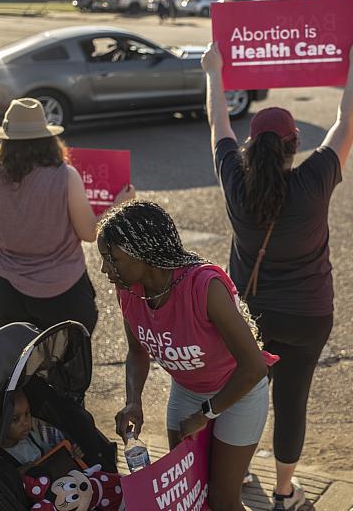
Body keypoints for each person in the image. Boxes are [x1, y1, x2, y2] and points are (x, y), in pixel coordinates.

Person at [201, 37, 353, 510]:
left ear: (252, 147)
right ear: (295, 146)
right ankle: (284, 492)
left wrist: (213, 72)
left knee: (245, 396)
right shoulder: (315, 179)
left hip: (248, 316)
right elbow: (347, 122)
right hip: (307, 315)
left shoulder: (235, 181)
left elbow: (218, 123)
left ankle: (237, 474)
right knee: (292, 403)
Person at [99, 201, 270, 511]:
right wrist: (133, 400)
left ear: (142, 254)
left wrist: (205, 414)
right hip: (188, 393)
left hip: (238, 393)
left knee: (223, 499)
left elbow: (254, 367)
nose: (104, 269)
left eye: (113, 259)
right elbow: (137, 352)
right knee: (190, 493)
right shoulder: (128, 288)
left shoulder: (204, 287)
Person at [0, 98, 134, 334]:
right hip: (62, 291)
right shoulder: (64, 176)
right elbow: (89, 233)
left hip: (8, 292)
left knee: (18, 366)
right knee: (67, 364)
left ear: (5, 140)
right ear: (47, 137)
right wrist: (119, 205)